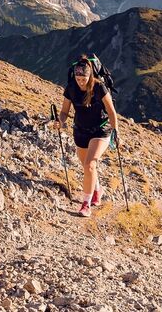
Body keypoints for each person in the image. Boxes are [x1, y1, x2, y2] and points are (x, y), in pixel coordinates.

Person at [56, 55, 119, 217]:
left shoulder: (99, 88)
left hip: (101, 130)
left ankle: (86, 204)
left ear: (90, 75)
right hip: (80, 130)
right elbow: (64, 111)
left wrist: (115, 130)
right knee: (86, 165)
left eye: (83, 78)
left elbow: (111, 111)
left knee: (90, 164)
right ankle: (97, 189)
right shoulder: (71, 88)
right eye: (77, 78)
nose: (80, 82)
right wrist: (60, 121)